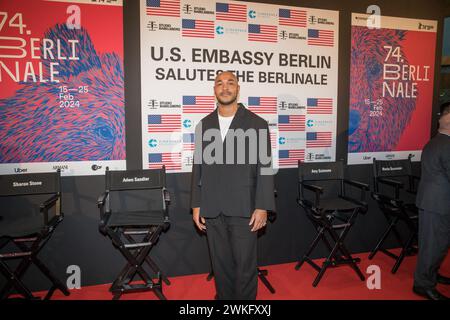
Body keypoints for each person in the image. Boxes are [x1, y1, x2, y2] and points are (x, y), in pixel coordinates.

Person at [190, 71, 275, 300]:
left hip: (244, 208)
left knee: (245, 268)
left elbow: (265, 168)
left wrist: (263, 206)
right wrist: (196, 204)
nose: (224, 87)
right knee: (221, 266)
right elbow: (198, 167)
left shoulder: (257, 123)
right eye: (219, 83)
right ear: (214, 90)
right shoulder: (204, 125)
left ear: (238, 89)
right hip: (212, 207)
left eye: (230, 83)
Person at [413, 101, 450, 300]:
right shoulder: (447, 146)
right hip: (438, 205)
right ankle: (423, 284)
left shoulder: (434, 142)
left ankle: (430, 275)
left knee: (433, 244)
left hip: (431, 202)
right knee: (434, 245)